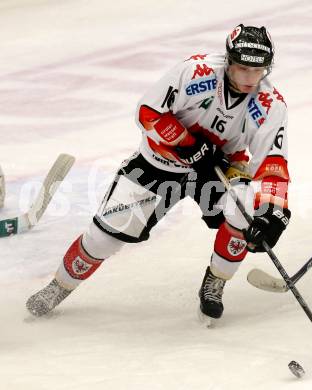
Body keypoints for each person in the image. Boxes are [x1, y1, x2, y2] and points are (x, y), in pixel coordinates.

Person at [26, 24, 291, 324]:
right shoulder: (195, 71)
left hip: (219, 168)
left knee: (245, 214)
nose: (249, 79)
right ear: (228, 60)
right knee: (103, 239)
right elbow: (147, 112)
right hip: (157, 165)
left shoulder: (271, 105)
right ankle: (58, 286)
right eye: (242, 68)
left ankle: (216, 282)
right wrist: (186, 143)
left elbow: (273, 163)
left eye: (258, 71)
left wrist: (275, 210)